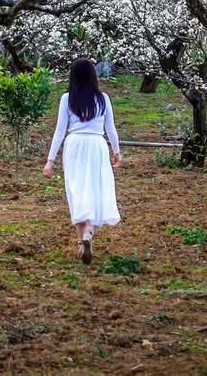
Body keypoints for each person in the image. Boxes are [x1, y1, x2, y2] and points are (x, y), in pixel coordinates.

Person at [42, 58, 121, 264]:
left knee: (77, 191)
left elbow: (59, 131)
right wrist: (116, 151)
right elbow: (110, 129)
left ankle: (81, 241)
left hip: (74, 145)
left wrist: (50, 160)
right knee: (96, 189)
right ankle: (89, 233)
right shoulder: (103, 99)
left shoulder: (67, 98)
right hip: (96, 145)